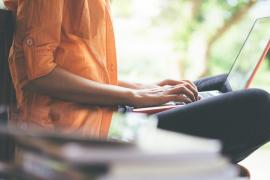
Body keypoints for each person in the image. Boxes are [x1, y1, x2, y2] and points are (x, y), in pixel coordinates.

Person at [4, 0, 270, 163]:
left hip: (108, 116)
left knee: (216, 85)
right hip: (81, 133)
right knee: (258, 105)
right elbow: (39, 74)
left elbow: (85, 75)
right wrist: (136, 97)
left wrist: (147, 88)